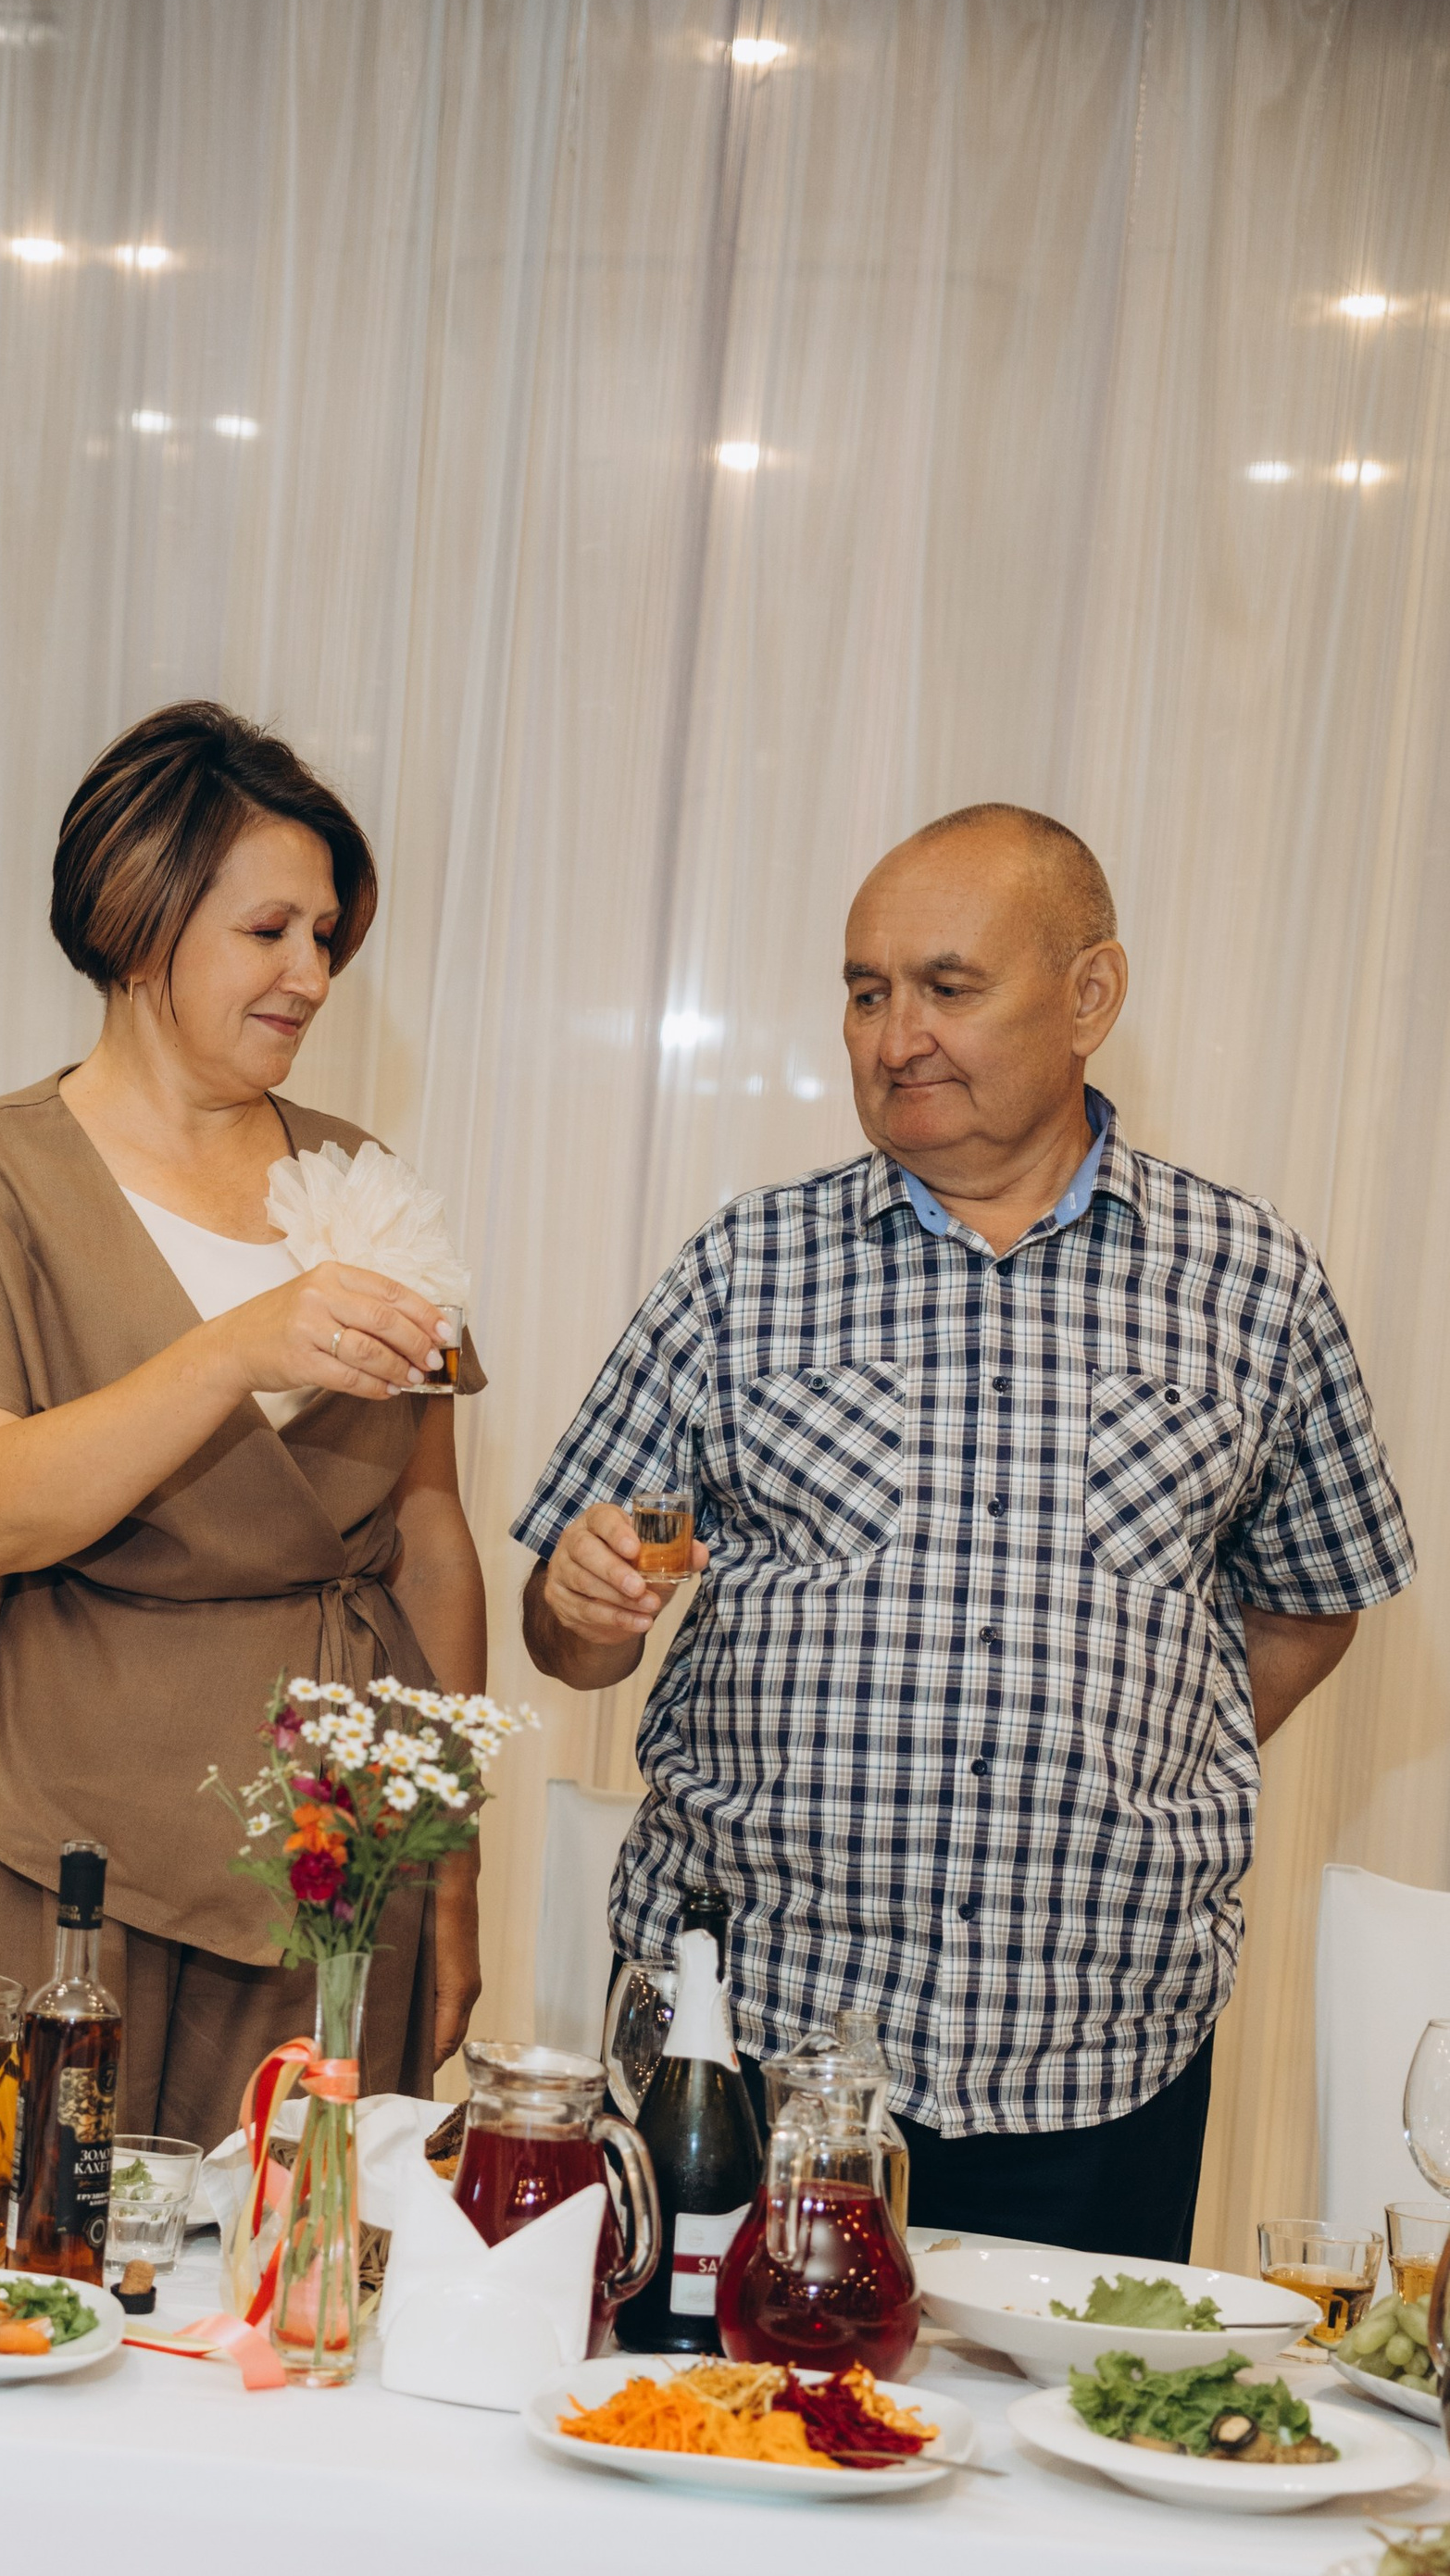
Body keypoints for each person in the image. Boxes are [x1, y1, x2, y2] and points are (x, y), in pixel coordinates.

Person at [515, 804, 1415, 2258]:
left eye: (948, 986)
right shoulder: (749, 1266)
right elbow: (569, 1637)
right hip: (746, 2044)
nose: (895, 1035)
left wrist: (1136, 1773)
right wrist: (582, 1597)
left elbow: (1314, 1598)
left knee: (1065, 2463)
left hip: (1100, 2056)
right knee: (701, 2436)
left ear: (1090, 996)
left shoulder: (1253, 1284)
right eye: (866, 992)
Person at [0, 699, 489, 2145]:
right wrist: (233, 1349)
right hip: (43, 1813)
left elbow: (429, 1537)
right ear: (140, 917)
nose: (311, 976)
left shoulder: (364, 1177)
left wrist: (449, 1863)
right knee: (13, 2250)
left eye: (328, 938)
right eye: (271, 933)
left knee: (287, 2271)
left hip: (328, 1832)